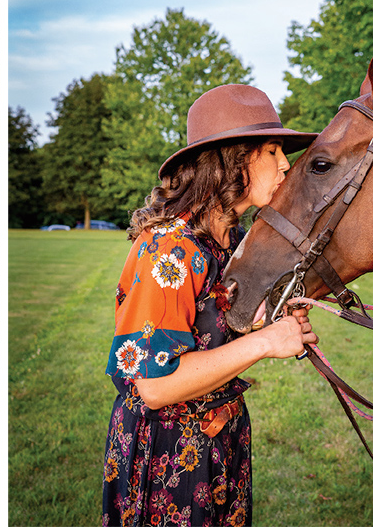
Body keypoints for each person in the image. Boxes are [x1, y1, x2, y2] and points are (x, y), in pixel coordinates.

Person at [102, 84, 319, 526]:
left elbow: (216, 329)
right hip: (169, 452)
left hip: (223, 436)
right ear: (233, 159)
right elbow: (155, 386)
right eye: (273, 149)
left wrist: (272, 324)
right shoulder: (170, 250)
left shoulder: (235, 242)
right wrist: (265, 344)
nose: (285, 164)